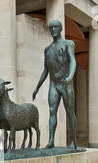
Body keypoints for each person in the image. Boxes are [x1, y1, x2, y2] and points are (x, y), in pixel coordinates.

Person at [32, 19, 77, 149]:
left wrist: (70, 76)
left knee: (70, 112)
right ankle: (51, 141)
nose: (53, 30)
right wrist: (37, 87)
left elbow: (73, 61)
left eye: (55, 27)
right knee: (52, 111)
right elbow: (45, 70)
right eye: (51, 28)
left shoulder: (69, 44)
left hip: (65, 83)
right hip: (54, 84)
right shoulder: (48, 49)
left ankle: (73, 141)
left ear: (60, 28)